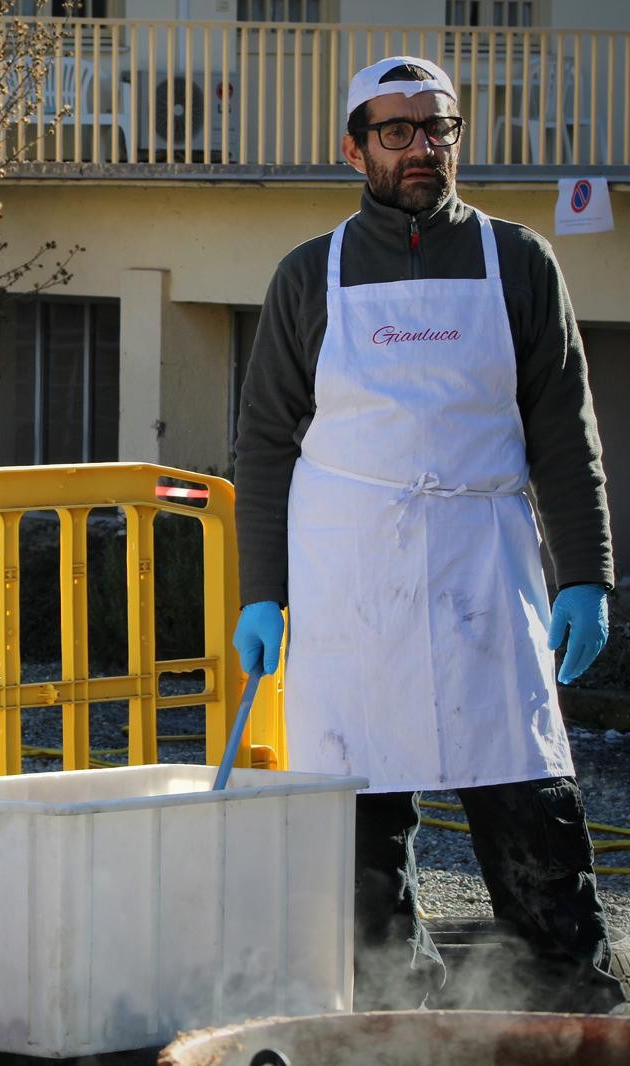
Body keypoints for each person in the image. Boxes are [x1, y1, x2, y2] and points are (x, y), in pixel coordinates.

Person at [233, 55, 620, 1014]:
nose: (421, 147)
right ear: (354, 145)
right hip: (350, 579)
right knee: (358, 839)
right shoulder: (308, 274)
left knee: (529, 806)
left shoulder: (518, 259)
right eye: (396, 130)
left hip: (484, 569)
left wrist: (588, 574)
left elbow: (564, 429)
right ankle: (394, 1021)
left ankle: (574, 1009)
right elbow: (265, 445)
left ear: (457, 137)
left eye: (436, 127)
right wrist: (261, 589)